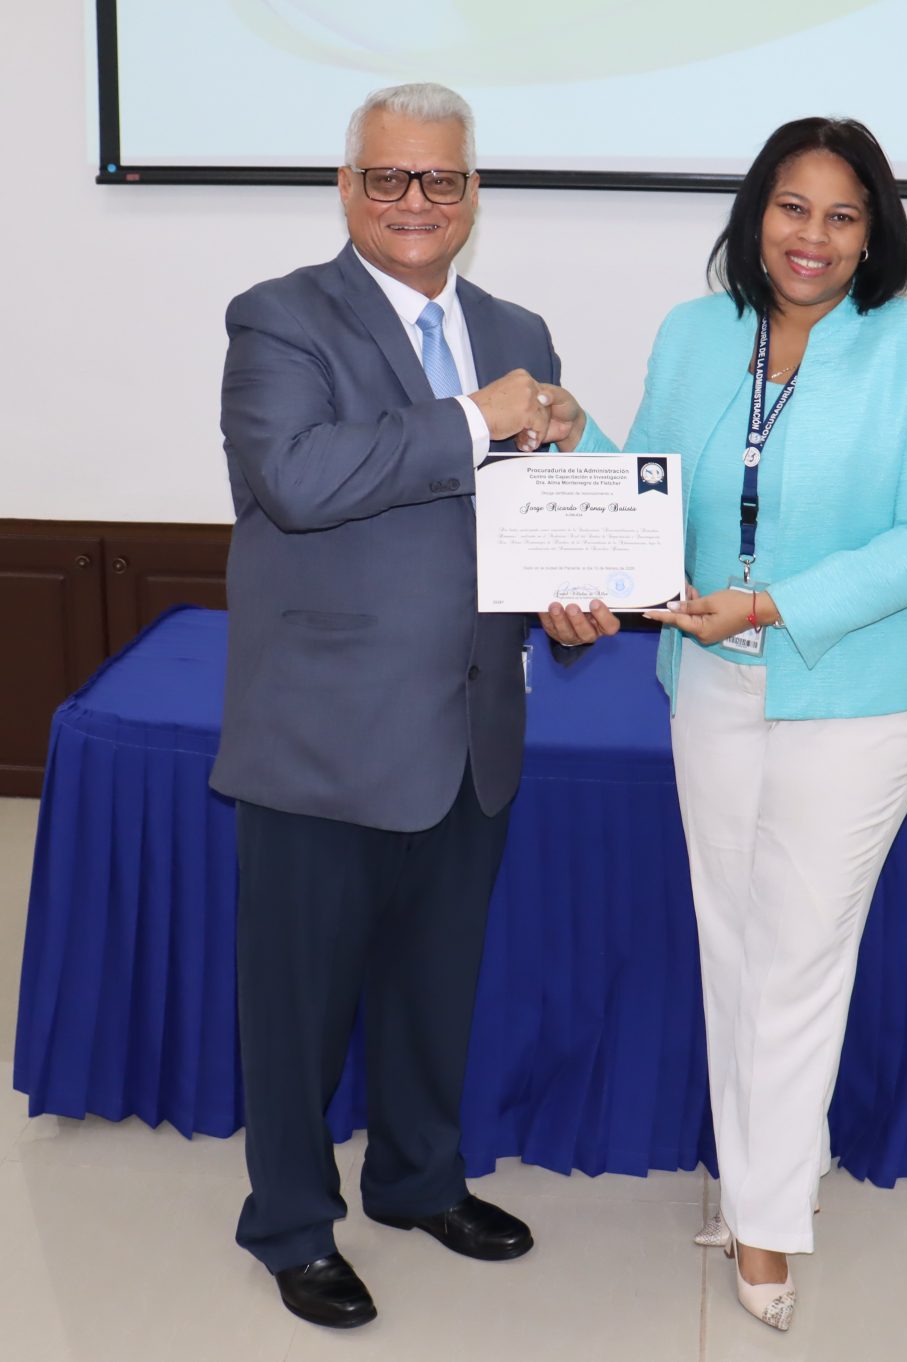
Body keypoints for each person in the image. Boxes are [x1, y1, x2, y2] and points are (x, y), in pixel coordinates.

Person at [546, 117, 907, 1331]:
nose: (812, 237)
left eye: (841, 216)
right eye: (792, 207)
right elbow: (647, 494)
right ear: (754, 214)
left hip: (853, 697)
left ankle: (767, 1220)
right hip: (709, 687)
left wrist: (775, 603)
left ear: (872, 235)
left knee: (796, 959)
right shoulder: (695, 333)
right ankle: (767, 1172)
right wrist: (575, 439)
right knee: (733, 945)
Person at [213, 82, 617, 1331]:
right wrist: (470, 416)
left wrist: (563, 596)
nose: (413, 202)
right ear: (347, 188)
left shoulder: (518, 330)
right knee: (297, 1009)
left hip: (471, 728)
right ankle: (291, 1224)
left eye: (439, 179)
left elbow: (525, 517)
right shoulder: (279, 318)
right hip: (321, 735)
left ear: (472, 194)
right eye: (387, 177)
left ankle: (416, 1181)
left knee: (434, 991)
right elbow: (296, 479)